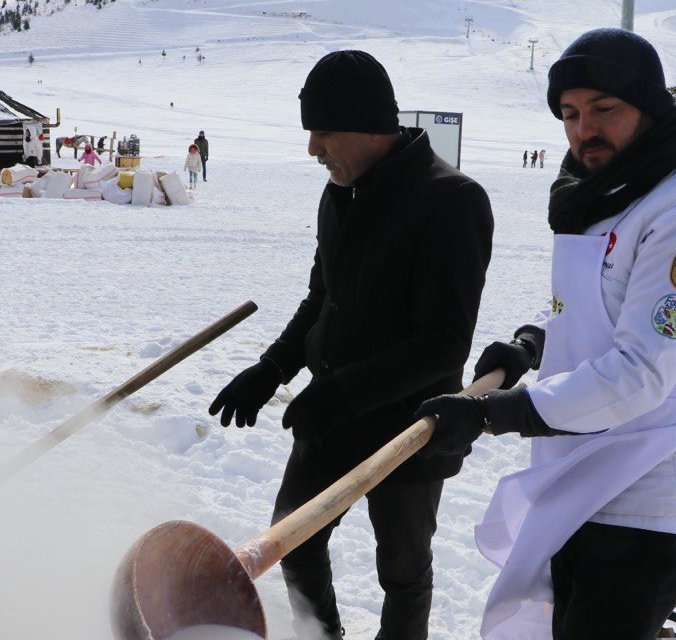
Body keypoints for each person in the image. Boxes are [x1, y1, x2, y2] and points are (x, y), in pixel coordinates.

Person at [415, 28, 676, 639]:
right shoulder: (614, 192)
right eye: (570, 114)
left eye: (605, 109)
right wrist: (534, 343)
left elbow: (641, 371)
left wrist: (498, 413)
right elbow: (604, 309)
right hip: (592, 471)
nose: (583, 130)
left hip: (656, 487)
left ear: (648, 111)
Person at [208, 50, 493, 640]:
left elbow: (442, 344)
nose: (314, 148)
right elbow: (322, 299)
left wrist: (339, 393)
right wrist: (272, 368)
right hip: (332, 415)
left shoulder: (452, 200)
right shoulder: (341, 191)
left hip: (410, 424)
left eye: (324, 131)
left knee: (404, 572)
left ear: (369, 126)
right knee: (294, 540)